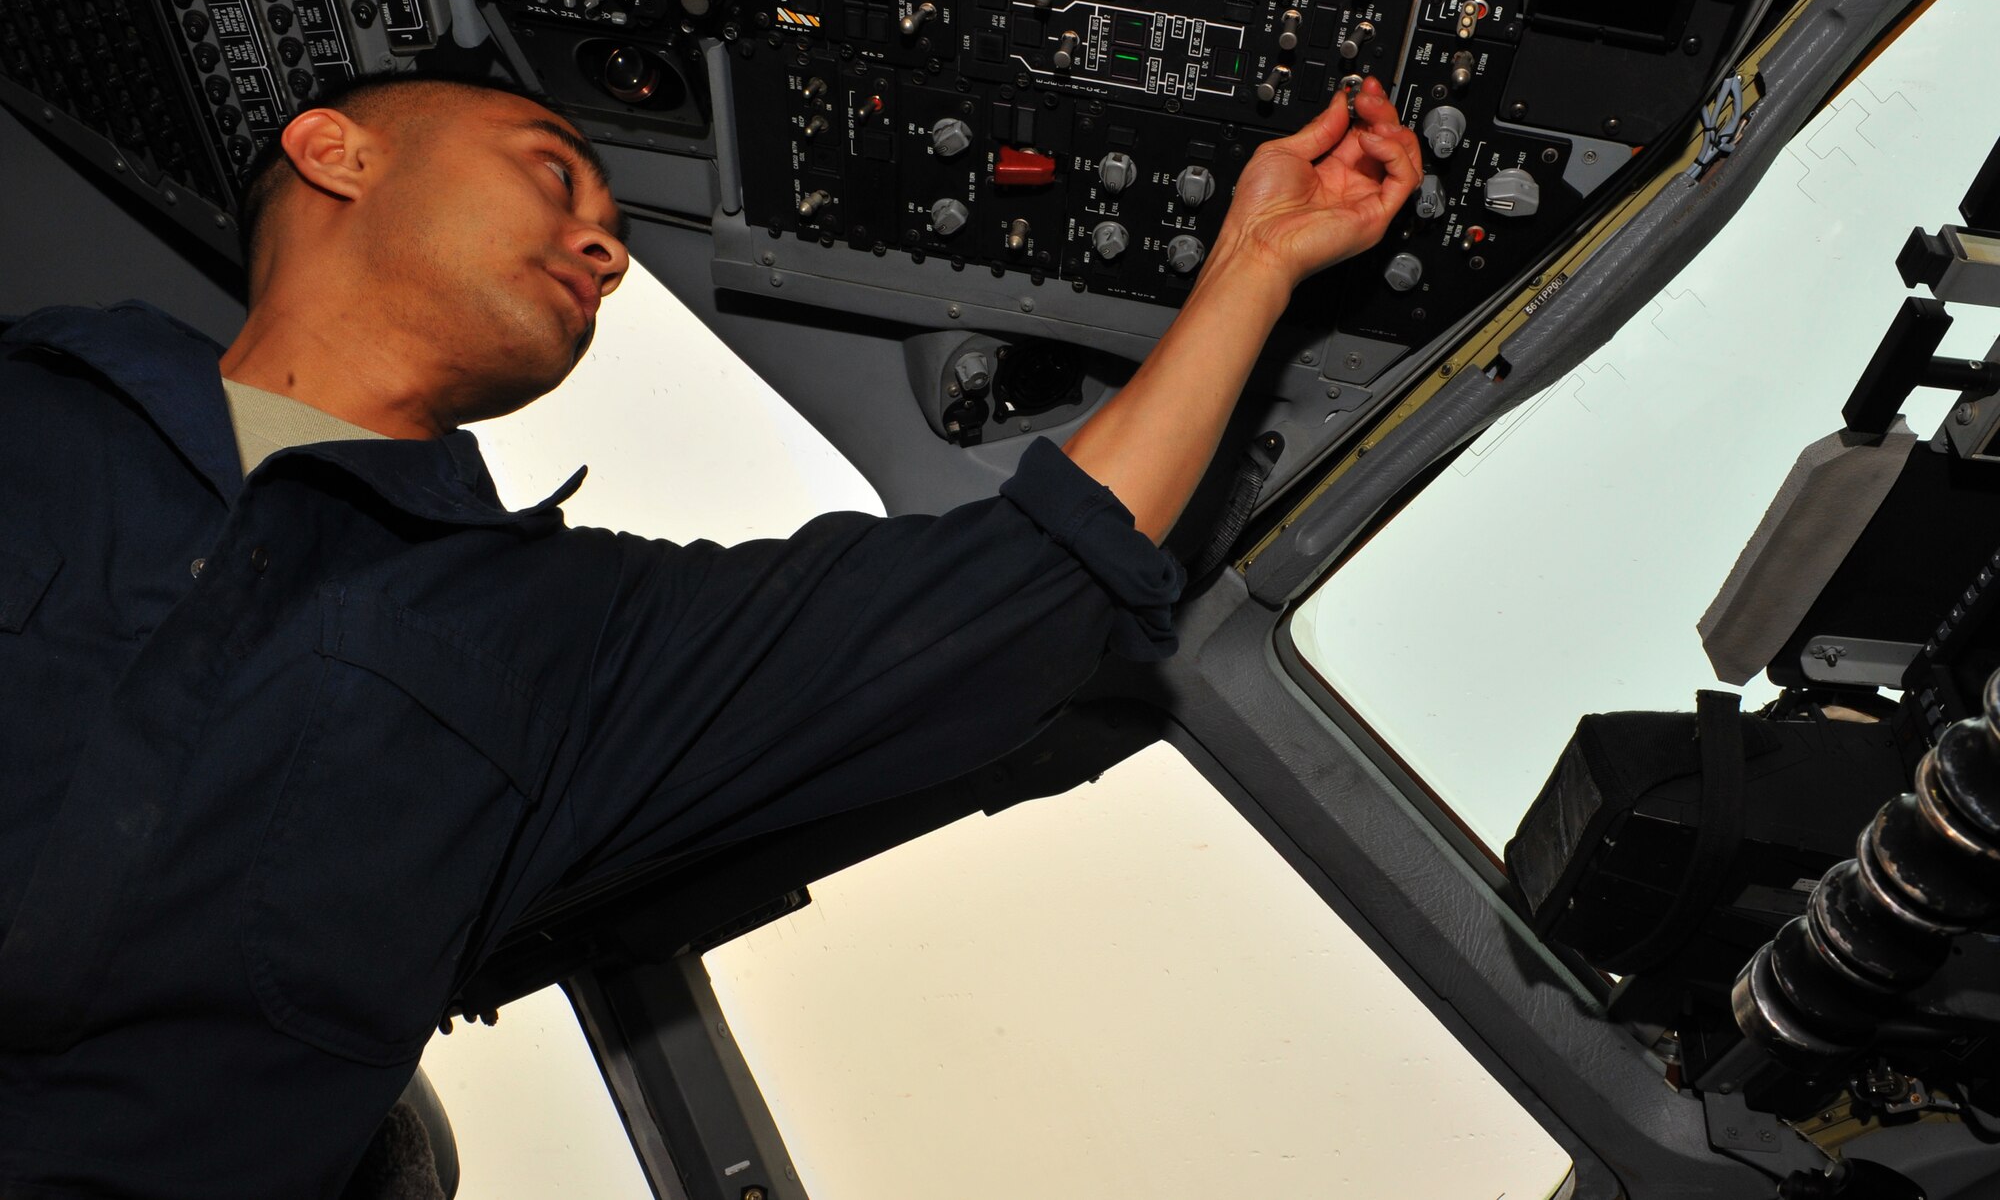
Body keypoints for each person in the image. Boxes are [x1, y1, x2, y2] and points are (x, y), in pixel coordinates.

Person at [0, 71, 1419, 1197]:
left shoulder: (558, 644)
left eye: (607, 217)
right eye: (555, 170)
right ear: (337, 152)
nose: (607, 246)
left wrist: (1257, 257)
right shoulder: (36, 404)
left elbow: (1021, 598)